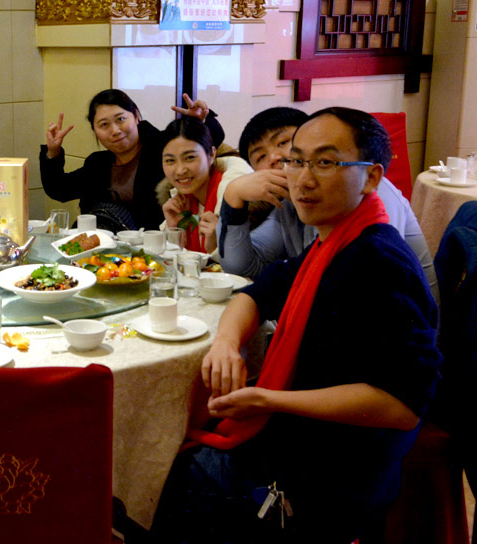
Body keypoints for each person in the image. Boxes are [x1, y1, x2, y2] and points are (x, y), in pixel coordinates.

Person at [149, 108, 441, 543]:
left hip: (331, 472)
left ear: (372, 177)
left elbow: (403, 404)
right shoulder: (332, 241)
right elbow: (256, 291)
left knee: (164, 470)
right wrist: (225, 342)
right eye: (296, 160)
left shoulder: (377, 261)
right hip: (302, 438)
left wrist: (270, 399)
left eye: (325, 163)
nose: (302, 179)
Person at [217, 107, 438, 301]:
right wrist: (233, 197)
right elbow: (242, 268)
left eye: (283, 143)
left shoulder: (369, 190)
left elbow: (362, 282)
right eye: (260, 157)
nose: (274, 158)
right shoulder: (291, 205)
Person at [40, 90, 225, 231]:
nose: (115, 130)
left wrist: (202, 121)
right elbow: (59, 190)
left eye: (121, 119)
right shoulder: (96, 163)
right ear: (95, 131)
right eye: (104, 125)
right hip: (100, 249)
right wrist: (53, 152)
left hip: (153, 246)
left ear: (136, 116)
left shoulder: (162, 148)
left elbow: (209, 143)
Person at [156, 117, 252, 253]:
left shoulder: (233, 198)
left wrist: (217, 244)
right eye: (170, 160)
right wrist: (174, 230)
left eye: (190, 157)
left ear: (211, 155)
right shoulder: (179, 202)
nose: (180, 170)